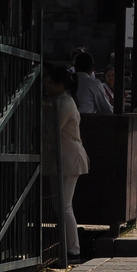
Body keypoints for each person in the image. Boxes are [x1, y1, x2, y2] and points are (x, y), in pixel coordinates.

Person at [44, 65, 90, 261]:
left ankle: (73, 249)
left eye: (49, 82)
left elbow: (52, 131)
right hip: (62, 158)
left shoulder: (65, 103)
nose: (46, 85)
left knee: (64, 206)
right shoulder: (59, 101)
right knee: (59, 205)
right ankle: (65, 246)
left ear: (59, 84)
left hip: (69, 159)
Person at [72, 50, 114, 115]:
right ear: (93, 67)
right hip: (88, 123)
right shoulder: (94, 84)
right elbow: (107, 110)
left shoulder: (67, 81)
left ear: (74, 67)